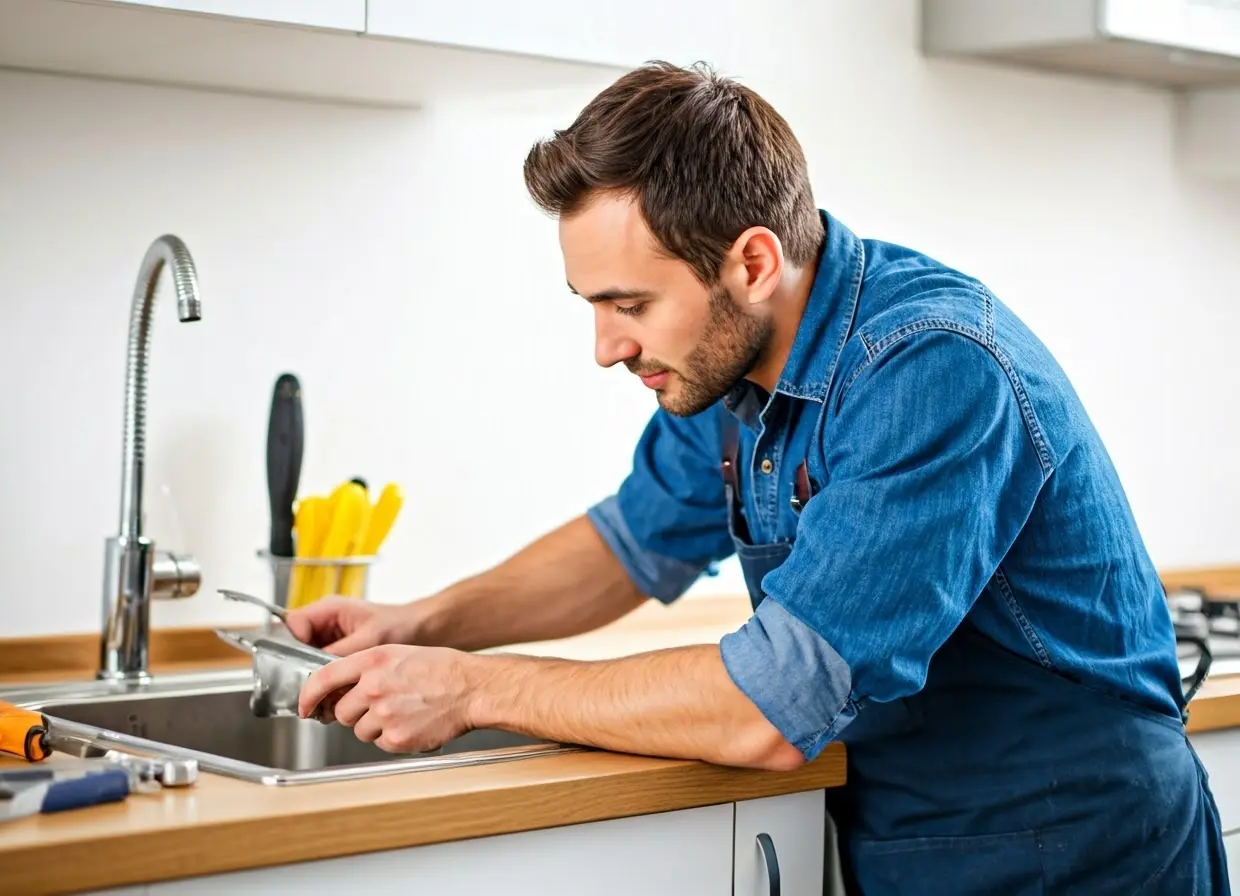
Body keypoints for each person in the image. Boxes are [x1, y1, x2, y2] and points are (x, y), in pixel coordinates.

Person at [289, 61, 1229, 894]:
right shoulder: (735, 365)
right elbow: (633, 541)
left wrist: (473, 689)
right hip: (913, 836)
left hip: (1076, 852)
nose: (608, 347)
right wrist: (422, 623)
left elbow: (766, 709)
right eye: (592, 305)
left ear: (751, 261)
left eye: (631, 304)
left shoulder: (930, 367)